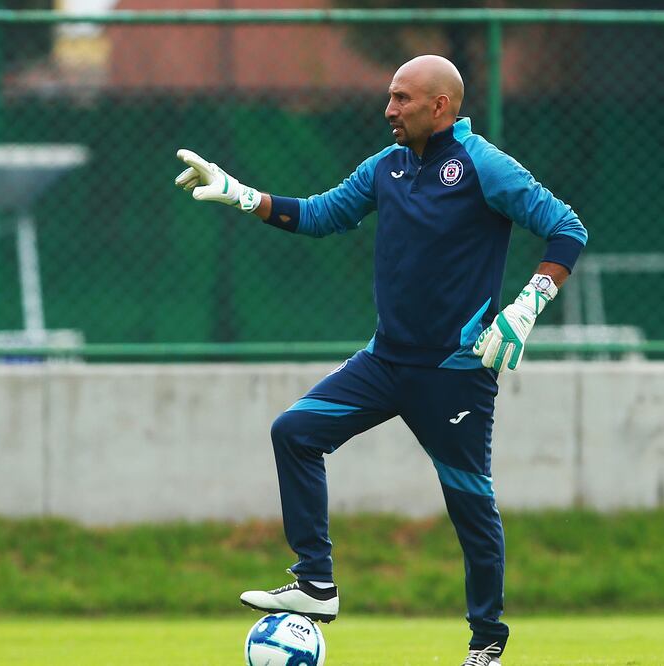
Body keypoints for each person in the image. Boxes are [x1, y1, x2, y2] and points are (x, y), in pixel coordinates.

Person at [173, 54, 587, 666]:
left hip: (454, 374)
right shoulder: (385, 168)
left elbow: (566, 228)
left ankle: (487, 642)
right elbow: (318, 215)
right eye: (390, 98)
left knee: (470, 504)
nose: (388, 110)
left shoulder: (483, 166)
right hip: (384, 362)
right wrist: (239, 193)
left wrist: (526, 307)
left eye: (401, 99)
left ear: (440, 106)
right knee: (294, 432)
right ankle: (316, 583)